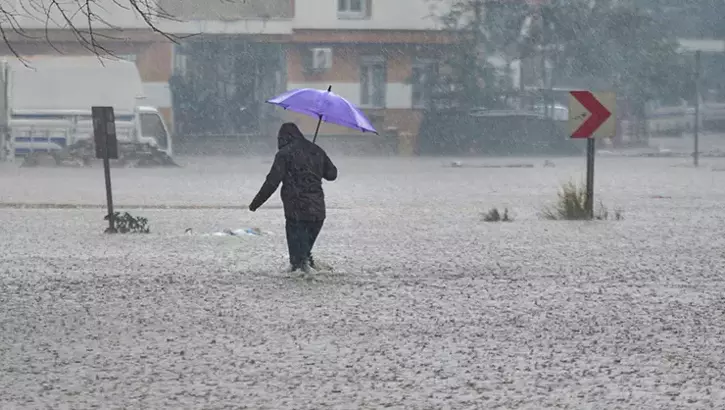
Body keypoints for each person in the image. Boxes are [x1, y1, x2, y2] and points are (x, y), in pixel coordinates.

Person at [249, 122, 338, 273]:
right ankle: (310, 277)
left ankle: (301, 279)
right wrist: (315, 164)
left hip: (296, 212)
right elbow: (332, 174)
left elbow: (272, 182)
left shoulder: (284, 154)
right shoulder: (316, 150)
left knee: (297, 263)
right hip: (317, 213)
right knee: (305, 256)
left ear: (283, 138)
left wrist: (255, 203)